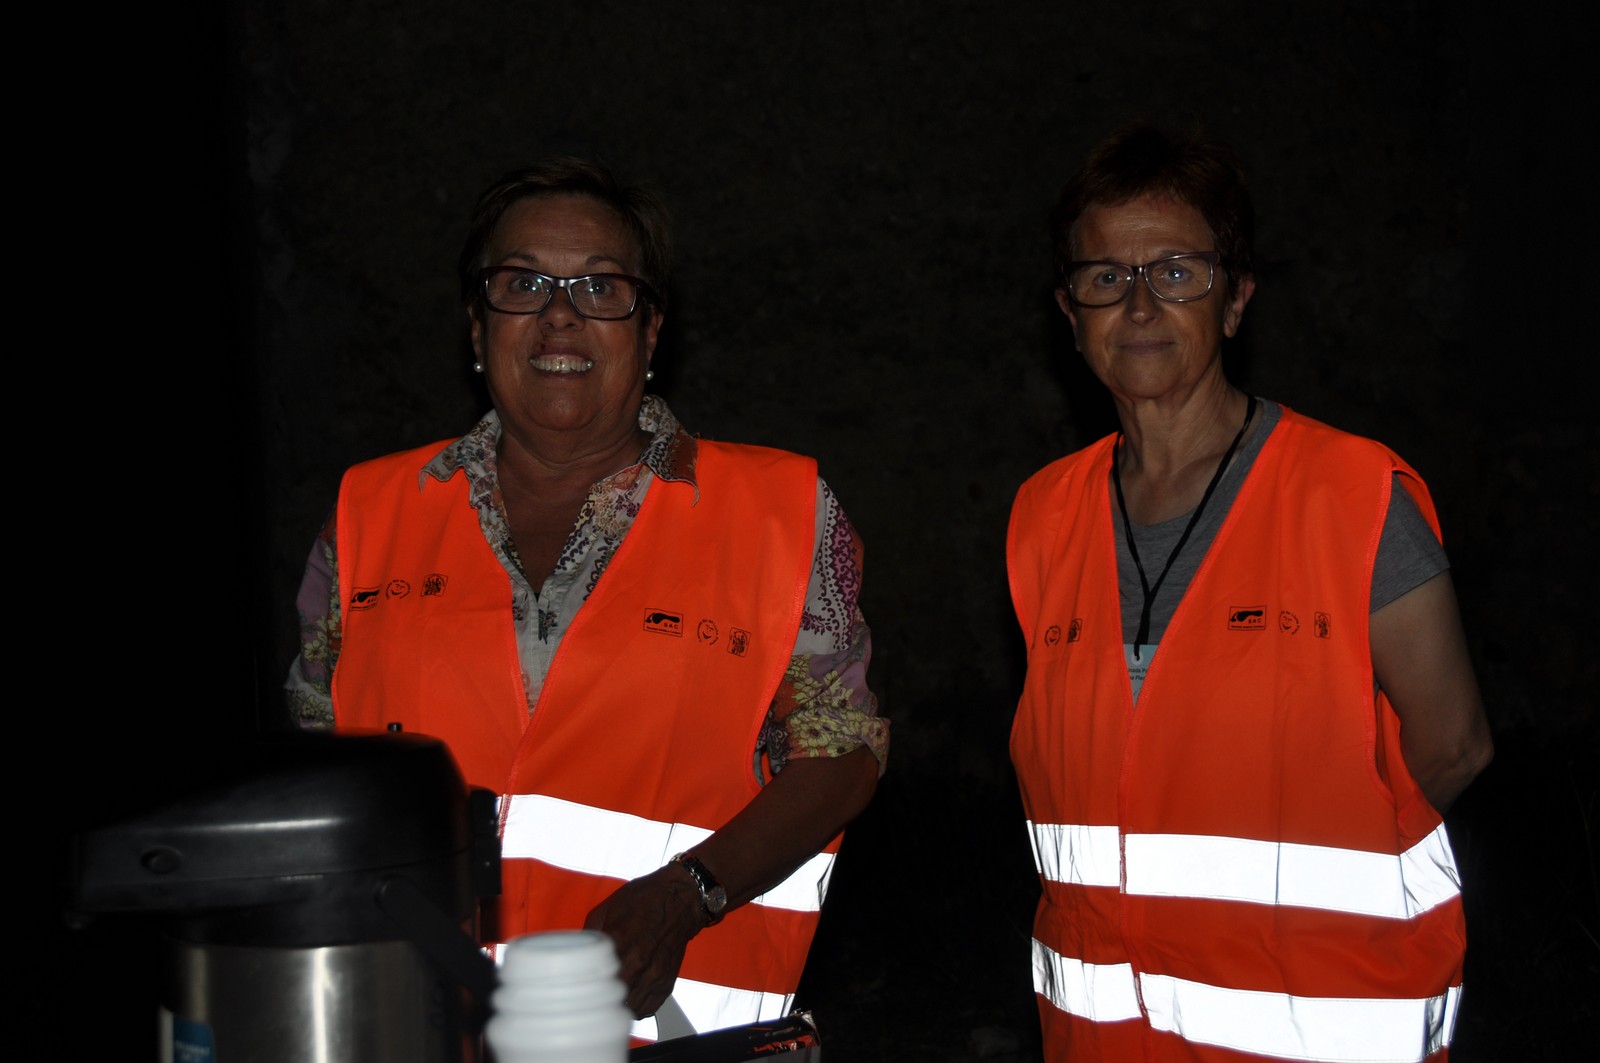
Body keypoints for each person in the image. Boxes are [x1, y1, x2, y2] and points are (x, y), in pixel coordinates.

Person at [286, 157, 887, 1043]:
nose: (559, 314)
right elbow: (309, 782)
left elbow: (843, 758)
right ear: (477, 325)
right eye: (522, 283)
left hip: (671, 1041)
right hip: (415, 1031)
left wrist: (688, 893)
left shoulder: (780, 513)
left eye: (601, 287)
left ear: (651, 331)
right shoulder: (366, 519)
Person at [1006, 125, 1493, 1063]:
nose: (1139, 305)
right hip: (1102, 1038)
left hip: (1315, 1026)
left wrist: (1299, 872)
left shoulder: (1351, 496)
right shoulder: (1042, 515)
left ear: (1235, 301)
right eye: (1105, 276)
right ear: (1070, 312)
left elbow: (1455, 745)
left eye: (1177, 272)